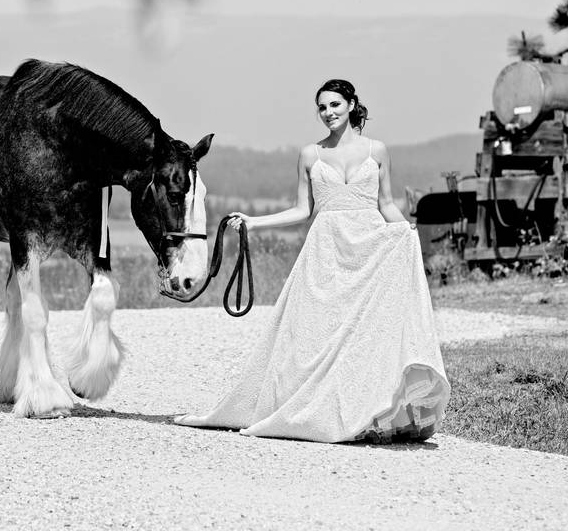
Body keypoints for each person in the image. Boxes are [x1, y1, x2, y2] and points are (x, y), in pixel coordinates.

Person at [175, 79, 450, 442]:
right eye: (322, 107)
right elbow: (303, 209)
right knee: (313, 334)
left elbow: (385, 204)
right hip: (326, 249)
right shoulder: (310, 154)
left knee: (366, 335)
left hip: (369, 247)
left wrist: (407, 235)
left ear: (351, 105)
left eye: (335, 105)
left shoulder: (378, 150)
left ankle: (366, 413)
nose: (328, 113)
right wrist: (255, 222)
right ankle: (310, 410)